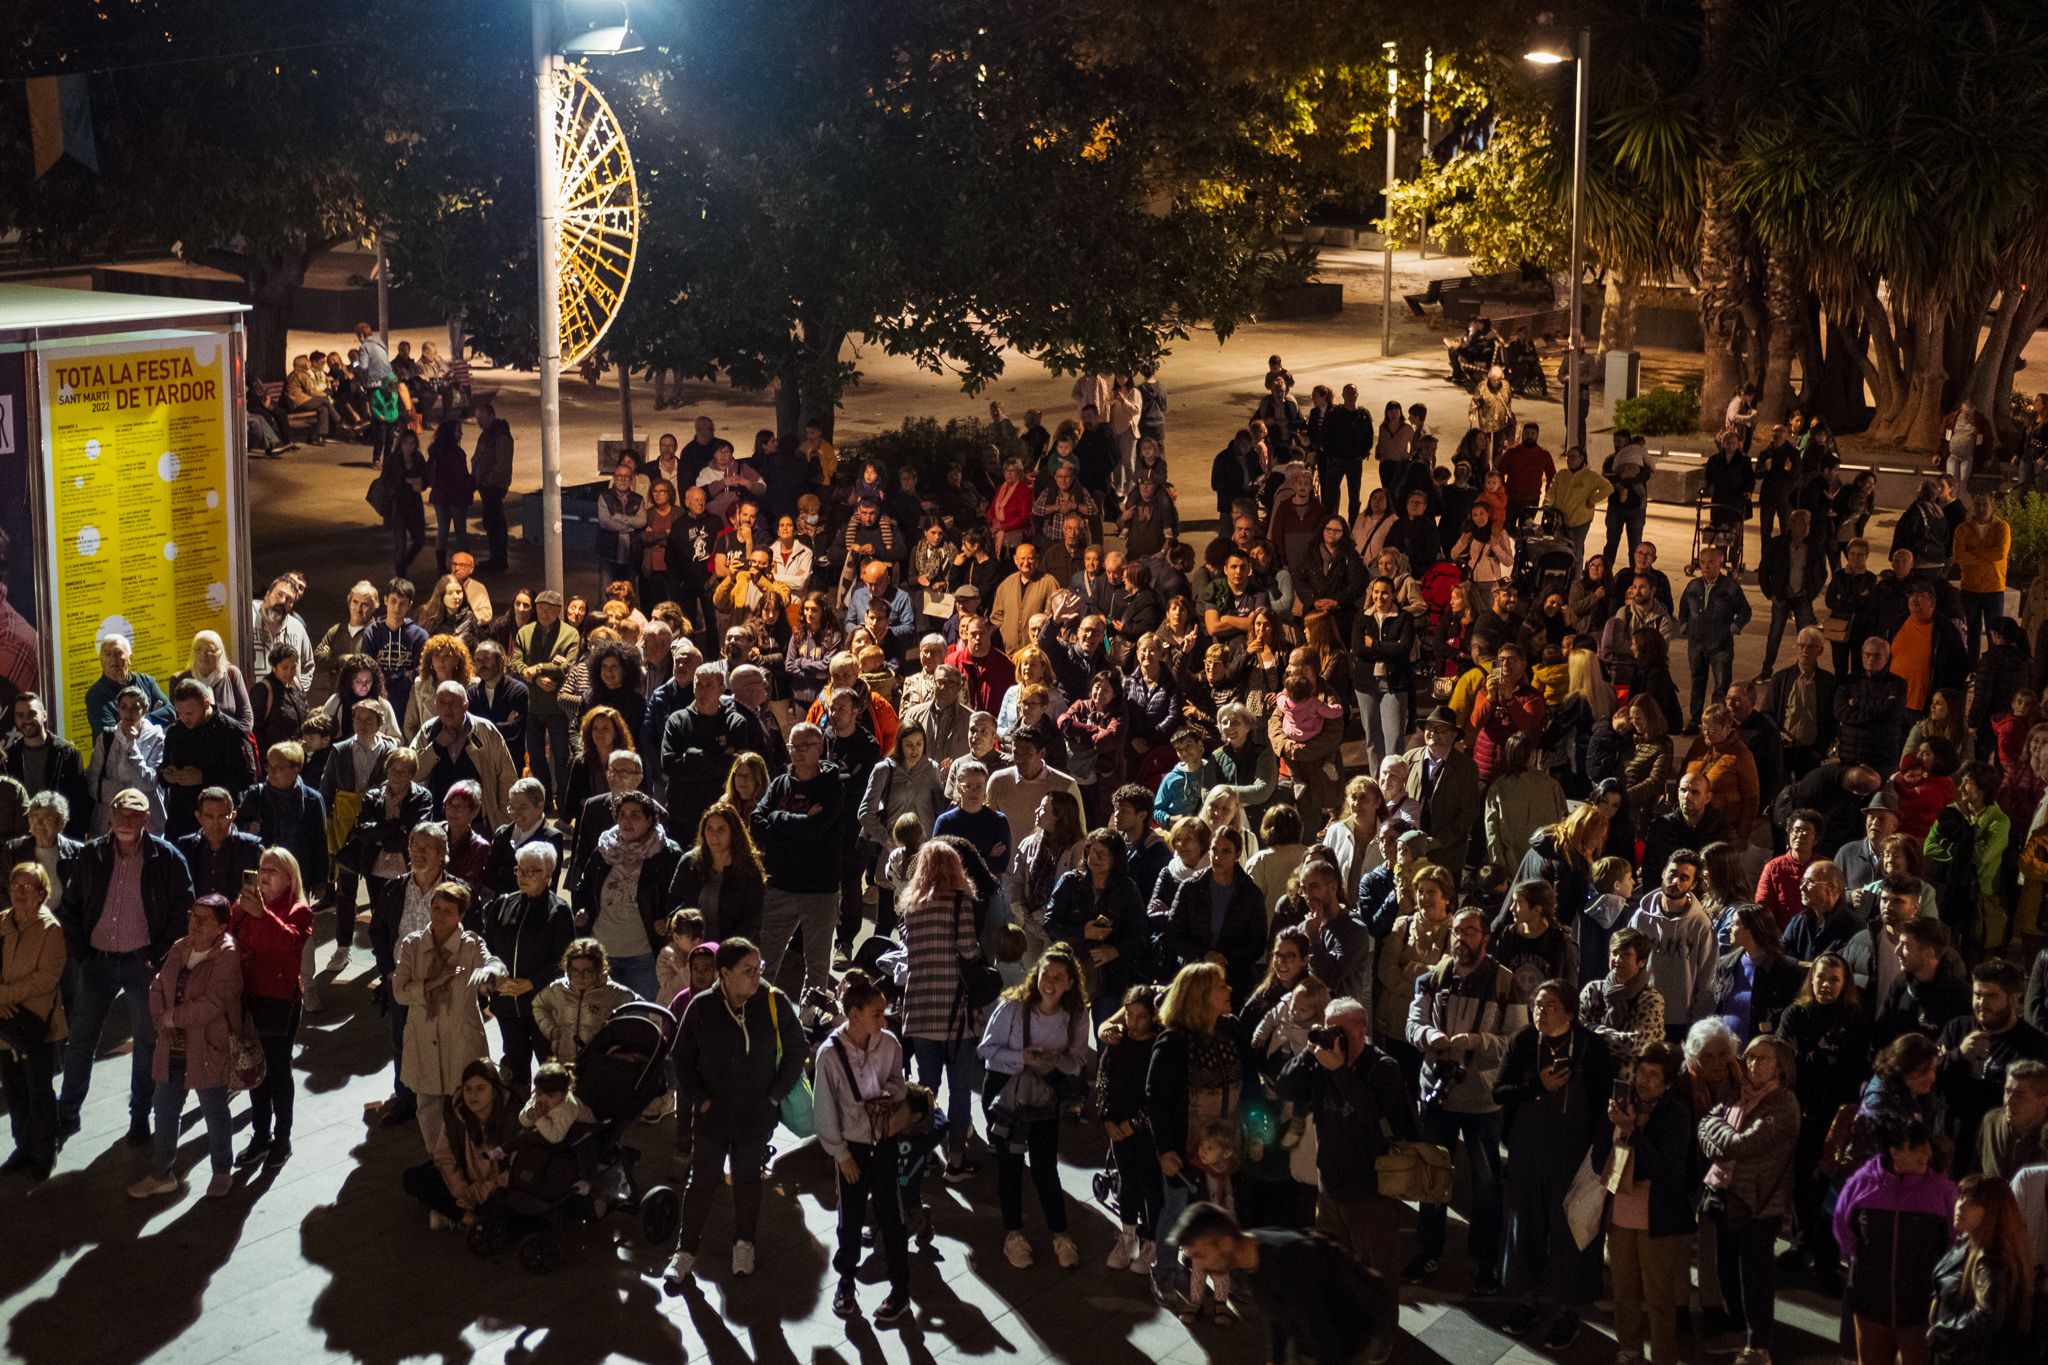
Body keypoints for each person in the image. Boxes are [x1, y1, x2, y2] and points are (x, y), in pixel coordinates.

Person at [56, 786, 197, 1144]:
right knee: (81, 1041)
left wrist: (159, 954)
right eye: (120, 813)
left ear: (147, 819)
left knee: (147, 1043)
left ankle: (139, 1116)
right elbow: (70, 909)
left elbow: (185, 910)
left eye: (134, 814)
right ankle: (67, 1114)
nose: (125, 820)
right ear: (110, 815)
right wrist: (82, 955)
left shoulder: (165, 858)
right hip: (97, 962)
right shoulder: (92, 855)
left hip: (142, 963)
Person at [665, 938, 808, 1288]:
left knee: (746, 1180)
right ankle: (685, 1252)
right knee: (701, 1182)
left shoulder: (771, 1001)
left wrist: (774, 1096)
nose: (756, 977)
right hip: (713, 1116)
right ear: (724, 974)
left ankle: (744, 1243)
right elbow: (681, 1056)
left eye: (758, 969)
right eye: (748, 971)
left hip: (755, 1115)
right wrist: (699, 1098)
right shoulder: (702, 1007)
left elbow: (797, 1048)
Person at [1405, 908, 1528, 1291]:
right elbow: (1413, 1024)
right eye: (1457, 932)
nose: (1462, 939)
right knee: (1432, 1178)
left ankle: (1486, 1261)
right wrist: (1429, 1038)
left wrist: (1477, 1043)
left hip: (1481, 1099)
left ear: (1486, 938)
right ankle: (1428, 1251)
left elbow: (1518, 1042)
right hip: (1438, 1094)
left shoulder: (1505, 984)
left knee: (1486, 1183)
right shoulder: (1433, 978)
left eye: (1471, 932)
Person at [1494, 979, 1612, 1347]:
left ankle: (1568, 1310)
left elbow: (1603, 1105)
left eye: (1549, 1006)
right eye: (1537, 1005)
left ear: (1570, 1012)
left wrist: (1599, 1155)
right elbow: (1500, 1091)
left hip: (1573, 1155)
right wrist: (1537, 1087)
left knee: (1572, 1231)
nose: (1540, 1013)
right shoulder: (1524, 1041)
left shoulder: (1593, 1048)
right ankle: (1526, 1299)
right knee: (1524, 1225)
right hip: (1528, 1150)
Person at [1272, 992, 1417, 1285]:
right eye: (1329, 1028)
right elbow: (1285, 1087)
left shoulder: (1383, 1067)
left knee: (1376, 1278)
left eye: (1340, 1030)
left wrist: (1339, 1071)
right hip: (1330, 1187)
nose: (1333, 1037)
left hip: (1370, 1192)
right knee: (1334, 1273)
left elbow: (1374, 1115)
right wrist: (1309, 1050)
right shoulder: (1321, 1063)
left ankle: (1382, 1329)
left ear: (1361, 1030)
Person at [1171, 1202, 1398, 1365]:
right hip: (1314, 1342)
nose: (1198, 1264)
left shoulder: (1288, 1261)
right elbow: (1278, 1314)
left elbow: (1323, 1331)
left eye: (1201, 1255)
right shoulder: (1250, 1255)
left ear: (1226, 1243)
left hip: (1347, 1344)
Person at [129, 894, 245, 1200]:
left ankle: (222, 1171)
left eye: (203, 919)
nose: (194, 923)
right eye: (193, 916)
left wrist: (174, 1017)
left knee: (214, 1110)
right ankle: (161, 1173)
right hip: (172, 1045)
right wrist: (160, 1019)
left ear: (221, 927)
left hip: (206, 1047)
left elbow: (215, 1003)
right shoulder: (181, 947)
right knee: (164, 1110)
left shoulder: (227, 955)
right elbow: (157, 985)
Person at [815, 968, 913, 1324]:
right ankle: (846, 1283)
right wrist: (841, 1156)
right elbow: (824, 1110)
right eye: (877, 1013)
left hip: (884, 1140)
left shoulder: (889, 1044)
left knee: (892, 1215)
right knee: (850, 1218)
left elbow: (898, 1081)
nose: (884, 1019)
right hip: (852, 1148)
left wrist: (892, 1094)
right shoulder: (830, 1055)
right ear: (854, 1015)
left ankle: (901, 1288)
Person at [1698, 1034, 1800, 1365]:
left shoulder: (1784, 1105)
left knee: (1754, 1276)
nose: (1753, 1064)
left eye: (1763, 1058)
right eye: (1751, 1057)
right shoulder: (1736, 1094)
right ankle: (1738, 1328)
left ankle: (1759, 1346)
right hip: (1725, 1197)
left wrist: (1719, 1135)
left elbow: (1743, 1146)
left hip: (1758, 1204)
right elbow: (1703, 1125)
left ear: (1780, 1067)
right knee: (1726, 1268)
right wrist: (1722, 1136)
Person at [1593, 1040, 1696, 1365]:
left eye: (1653, 1074)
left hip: (1658, 1219)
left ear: (1667, 1082)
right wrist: (1615, 1128)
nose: (1644, 1080)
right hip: (1621, 1214)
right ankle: (1629, 1350)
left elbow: (1667, 1173)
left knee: (1659, 1299)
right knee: (1623, 1292)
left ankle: (1664, 1357)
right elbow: (1599, 1159)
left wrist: (1632, 1132)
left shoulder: (1676, 1114)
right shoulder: (1619, 1105)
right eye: (1641, 1071)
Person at [1146, 960, 1242, 1303]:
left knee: (1217, 1211)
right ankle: (1165, 1271)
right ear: (1201, 997)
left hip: (1221, 1148)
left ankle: (1217, 1275)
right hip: (1184, 1151)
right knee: (1176, 1212)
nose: (1229, 991)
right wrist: (1165, 1150)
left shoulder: (1229, 1032)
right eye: (1221, 987)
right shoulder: (1173, 1043)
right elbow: (1156, 1100)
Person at [391, 880, 504, 1155]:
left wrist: (491, 973)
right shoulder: (413, 944)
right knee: (427, 1103)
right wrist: (430, 984)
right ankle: (438, 1160)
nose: (439, 916)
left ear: (460, 916)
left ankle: (469, 1160)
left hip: (460, 1038)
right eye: (436, 908)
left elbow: (493, 963)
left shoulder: (471, 944)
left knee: (466, 1102)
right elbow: (400, 992)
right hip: (423, 1036)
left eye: (448, 911)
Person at [1835, 1121, 1958, 1365]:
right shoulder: (1862, 1183)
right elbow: (1842, 1227)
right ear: (1894, 1151)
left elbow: (1955, 1243)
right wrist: (1861, 1265)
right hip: (1870, 1305)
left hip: (1920, 1309)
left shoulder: (1942, 1190)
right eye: (1917, 1148)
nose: (1927, 1153)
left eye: (1927, 1146)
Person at [230, 848, 313, 1170]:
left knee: (277, 1072)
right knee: (255, 1072)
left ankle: (283, 1138)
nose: (264, 875)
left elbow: (288, 942)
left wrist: (262, 915)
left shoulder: (299, 909)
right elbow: (229, 936)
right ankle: (260, 1136)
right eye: (262, 869)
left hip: (278, 1001)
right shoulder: (247, 904)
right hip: (247, 997)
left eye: (273, 871)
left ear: (290, 878)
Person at [751, 723, 846, 1004]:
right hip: (780, 886)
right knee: (765, 960)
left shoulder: (831, 788)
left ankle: (813, 1023)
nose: (798, 752)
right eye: (794, 746)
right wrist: (794, 822)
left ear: (820, 749)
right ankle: (758, 1015)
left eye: (806, 746)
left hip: (819, 890)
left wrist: (778, 820)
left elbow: (815, 832)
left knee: (817, 967)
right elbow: (757, 822)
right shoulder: (780, 783)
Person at [573, 789, 682, 1002]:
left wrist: (667, 921)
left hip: (643, 957)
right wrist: (583, 911)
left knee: (643, 1020)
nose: (627, 820)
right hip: (603, 954)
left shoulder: (666, 854)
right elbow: (583, 889)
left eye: (635, 815)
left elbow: (678, 898)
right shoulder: (603, 851)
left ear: (650, 820)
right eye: (622, 814)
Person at [480, 842, 573, 1089]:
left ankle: (550, 1118)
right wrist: (496, 978)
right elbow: (486, 947)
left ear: (548, 875)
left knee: (548, 1066)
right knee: (514, 1064)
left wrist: (530, 982)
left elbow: (564, 960)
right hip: (507, 1003)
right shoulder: (502, 904)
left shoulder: (559, 911)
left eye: (531, 871)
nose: (522, 876)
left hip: (541, 1005)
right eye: (519, 870)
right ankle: (518, 1113)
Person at [0, 861, 66, 1180]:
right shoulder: (2, 922)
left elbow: (47, 978)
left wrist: (4, 996)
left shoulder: (50, 929)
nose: (20, 893)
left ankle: (44, 1152)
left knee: (39, 1091)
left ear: (42, 893)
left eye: (28, 888)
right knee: (14, 1090)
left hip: (35, 1024)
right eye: (15, 887)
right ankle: (23, 1148)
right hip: (3, 1024)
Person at [1928, 1175, 2033, 1364]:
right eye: (1960, 1196)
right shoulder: (1967, 1244)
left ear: (1994, 1211)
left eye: (1973, 1202)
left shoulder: (1992, 1258)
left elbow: (1988, 1316)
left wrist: (1943, 1333)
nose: (1960, 1205)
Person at [1678, 546, 1753, 730]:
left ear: (1720, 563)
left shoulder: (1730, 587)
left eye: (1711, 563)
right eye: (1702, 563)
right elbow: (1683, 607)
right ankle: (1695, 720)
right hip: (1696, 644)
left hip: (1720, 646)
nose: (1706, 567)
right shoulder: (1693, 586)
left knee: (1721, 687)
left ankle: (1717, 722)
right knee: (1697, 682)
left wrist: (1735, 627)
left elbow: (1745, 611)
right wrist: (1684, 624)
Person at [530, 937, 639, 1063]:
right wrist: (551, 1030)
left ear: (599, 969)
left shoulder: (614, 993)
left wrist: (618, 1046)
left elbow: (639, 1011)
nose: (580, 977)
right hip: (565, 1061)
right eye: (575, 971)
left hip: (598, 1063)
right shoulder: (557, 989)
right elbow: (538, 1005)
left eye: (587, 972)